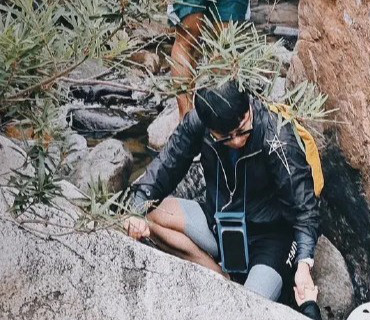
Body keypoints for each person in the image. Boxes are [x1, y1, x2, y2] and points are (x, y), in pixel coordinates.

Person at [125, 81, 318, 302]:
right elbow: (166, 166)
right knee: (148, 211)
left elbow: (305, 210)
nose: (236, 140)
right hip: (219, 220)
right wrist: (135, 209)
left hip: (270, 238)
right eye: (225, 137)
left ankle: (237, 285)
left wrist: (304, 264)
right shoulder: (198, 121)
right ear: (210, 129)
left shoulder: (278, 137)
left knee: (249, 305)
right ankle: (218, 276)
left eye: (242, 129)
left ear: (248, 107)